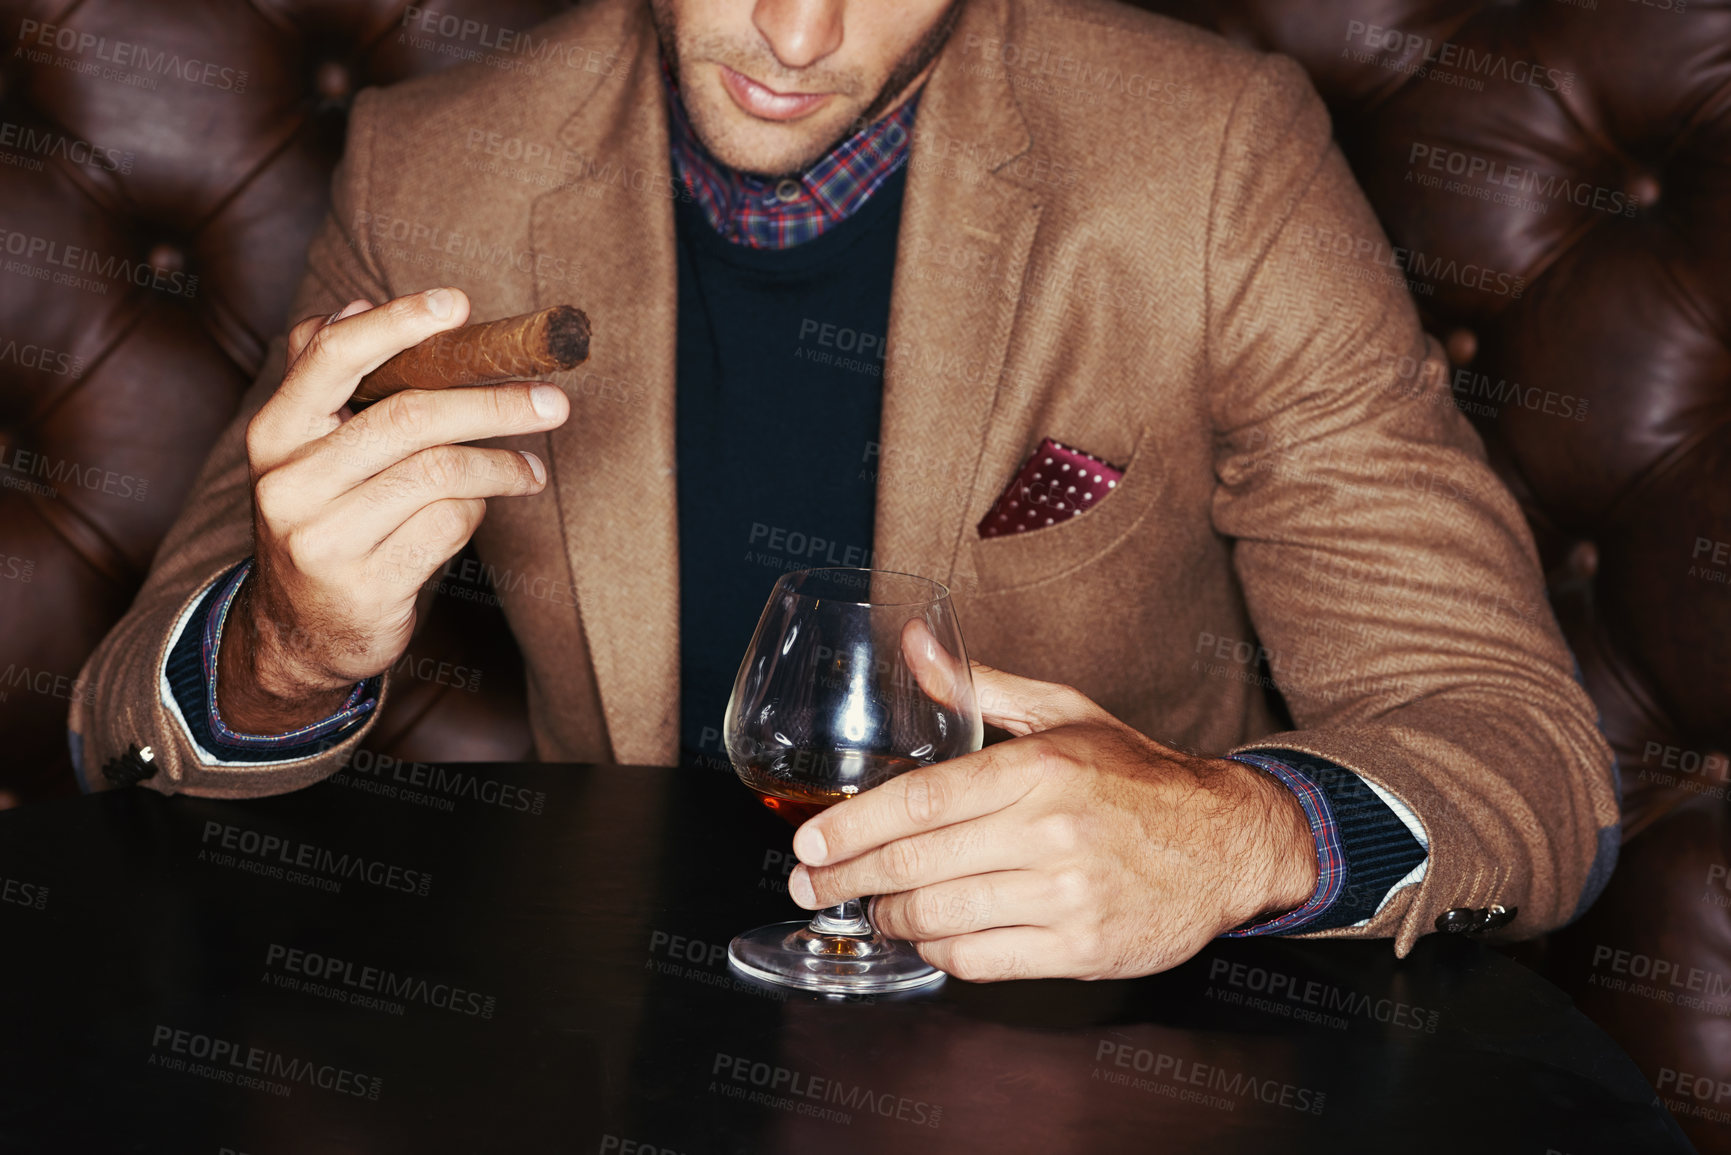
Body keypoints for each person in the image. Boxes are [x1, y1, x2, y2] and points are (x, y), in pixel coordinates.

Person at [70, 0, 1620, 981]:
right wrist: (285, 646)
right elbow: (119, 723)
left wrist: (1241, 837)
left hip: (1093, 1055)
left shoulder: (1217, 158)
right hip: (606, 1023)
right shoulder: (430, 171)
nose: (796, 37)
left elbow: (1522, 750)